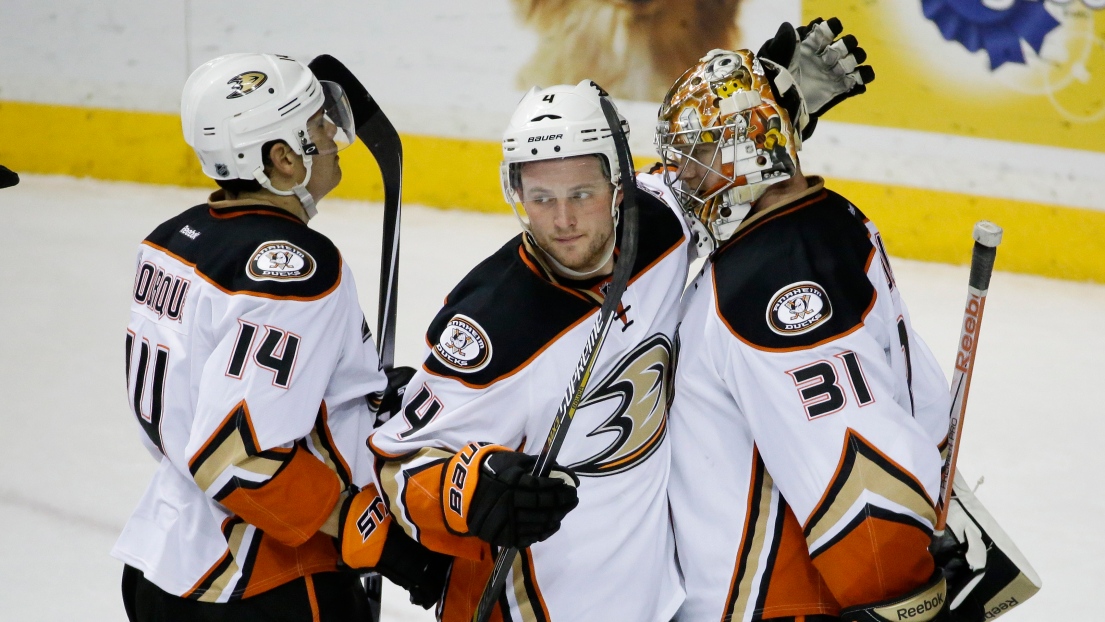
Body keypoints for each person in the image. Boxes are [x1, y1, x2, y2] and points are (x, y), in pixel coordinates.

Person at [367, 20, 874, 622]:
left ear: (617, 185)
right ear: (515, 194)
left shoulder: (659, 225)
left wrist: (772, 111)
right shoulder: (490, 324)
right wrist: (471, 489)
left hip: (656, 597)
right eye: (541, 198)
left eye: (581, 194)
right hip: (531, 606)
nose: (563, 221)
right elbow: (397, 467)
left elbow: (712, 173)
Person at [111, 52, 447, 622]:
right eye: (319, 126)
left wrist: (352, 392)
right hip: (264, 581)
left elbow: (205, 399)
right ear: (283, 159)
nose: (337, 137)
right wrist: (370, 532)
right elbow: (235, 457)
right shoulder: (297, 270)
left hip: (161, 560)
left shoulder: (171, 240)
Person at [657, 48, 954, 621]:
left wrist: (898, 596)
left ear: (750, 151)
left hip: (774, 603)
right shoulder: (827, 218)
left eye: (697, 154)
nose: (683, 176)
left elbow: (858, 476)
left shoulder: (768, 280)